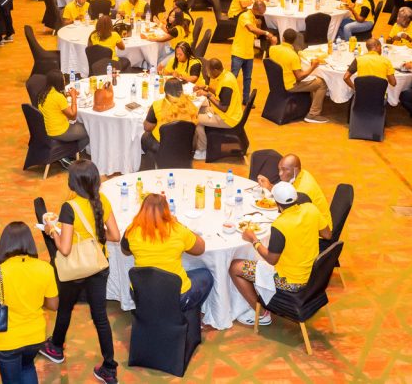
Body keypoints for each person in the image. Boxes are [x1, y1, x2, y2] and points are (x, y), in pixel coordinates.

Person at [37, 161, 119, 382]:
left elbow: (64, 249)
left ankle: (56, 347)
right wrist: (95, 236)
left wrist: (51, 230)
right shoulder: (102, 200)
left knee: (65, 307)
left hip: (75, 268)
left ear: (73, 183)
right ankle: (109, 367)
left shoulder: (69, 208)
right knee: (100, 317)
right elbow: (115, 235)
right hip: (98, 264)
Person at [229, 181, 331, 326]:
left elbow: (271, 259)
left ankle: (262, 314)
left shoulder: (280, 224)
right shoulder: (311, 209)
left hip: (291, 282)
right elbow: (327, 235)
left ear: (277, 203)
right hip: (314, 275)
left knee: (234, 267)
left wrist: (254, 240)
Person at [0, 222, 58, 383]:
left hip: (7, 341)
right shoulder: (46, 268)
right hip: (35, 337)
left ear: (4, 244)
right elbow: (53, 305)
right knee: (27, 367)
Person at [122, 193, 212, 310]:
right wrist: (181, 225)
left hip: (141, 293)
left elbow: (125, 251)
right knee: (206, 275)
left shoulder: (132, 230)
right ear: (166, 211)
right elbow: (200, 249)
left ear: (143, 210)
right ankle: (186, 312)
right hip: (177, 295)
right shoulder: (177, 230)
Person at [265, 29, 329, 123]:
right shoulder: (293, 55)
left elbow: (273, 47)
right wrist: (313, 67)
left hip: (276, 83)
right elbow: (299, 77)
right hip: (290, 85)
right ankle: (313, 114)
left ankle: (309, 105)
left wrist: (273, 42)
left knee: (312, 79)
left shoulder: (273, 49)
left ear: (283, 38)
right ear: (294, 41)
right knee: (321, 83)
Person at [193, 58, 245, 157]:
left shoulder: (227, 82)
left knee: (196, 120)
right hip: (227, 113)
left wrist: (208, 95)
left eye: (209, 72)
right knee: (199, 110)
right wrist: (206, 87)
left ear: (216, 70)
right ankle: (200, 143)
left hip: (228, 118)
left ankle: (202, 151)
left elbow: (223, 107)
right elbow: (220, 92)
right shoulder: (226, 75)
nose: (208, 74)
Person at [37, 70, 89, 156]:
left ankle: (70, 150)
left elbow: (55, 102)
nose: (65, 82)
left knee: (81, 126)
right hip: (59, 131)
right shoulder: (58, 97)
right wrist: (73, 97)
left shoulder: (43, 93)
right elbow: (73, 115)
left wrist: (68, 94)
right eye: (63, 80)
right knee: (89, 130)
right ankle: (72, 153)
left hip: (47, 129)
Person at [141, 77, 199, 154]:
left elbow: (147, 128)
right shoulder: (191, 106)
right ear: (181, 90)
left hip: (161, 146)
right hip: (186, 145)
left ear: (165, 90)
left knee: (145, 136)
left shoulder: (157, 105)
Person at [231, 0, 268, 105]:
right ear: (255, 10)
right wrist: (266, 33)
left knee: (247, 79)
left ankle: (246, 100)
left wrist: (259, 25)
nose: (261, 15)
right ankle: (227, 99)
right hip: (238, 52)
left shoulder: (253, 18)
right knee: (233, 77)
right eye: (260, 13)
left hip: (249, 53)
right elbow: (251, 29)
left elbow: (255, 35)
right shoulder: (245, 16)